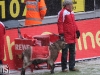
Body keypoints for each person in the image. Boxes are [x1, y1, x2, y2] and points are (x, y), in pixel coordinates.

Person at [57, 0, 80, 72]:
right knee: (65, 52)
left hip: (72, 36)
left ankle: (72, 66)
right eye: (71, 4)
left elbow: (74, 23)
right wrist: (61, 33)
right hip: (66, 36)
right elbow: (60, 23)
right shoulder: (62, 12)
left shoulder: (72, 12)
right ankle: (64, 67)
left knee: (72, 52)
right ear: (67, 5)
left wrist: (77, 30)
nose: (72, 6)